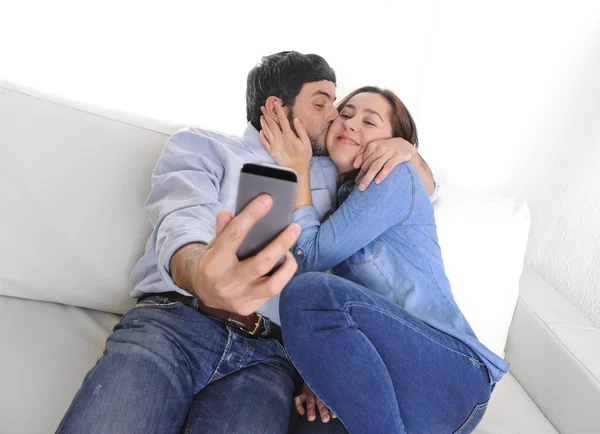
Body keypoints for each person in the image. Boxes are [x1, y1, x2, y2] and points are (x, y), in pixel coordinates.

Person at [56, 52, 435, 433]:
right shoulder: (202, 146)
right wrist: (202, 272)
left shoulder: (335, 173)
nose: (336, 117)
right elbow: (181, 218)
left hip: (268, 356)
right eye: (322, 104)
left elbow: (419, 197)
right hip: (173, 323)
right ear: (276, 108)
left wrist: (408, 153)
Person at [259, 86, 510, 433]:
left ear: (393, 144)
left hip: (450, 377)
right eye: (344, 115)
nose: (350, 125)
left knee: (305, 293)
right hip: (393, 390)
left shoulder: (394, 175)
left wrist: (297, 168)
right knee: (309, 423)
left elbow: (312, 258)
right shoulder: (341, 206)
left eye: (369, 121)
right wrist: (319, 372)